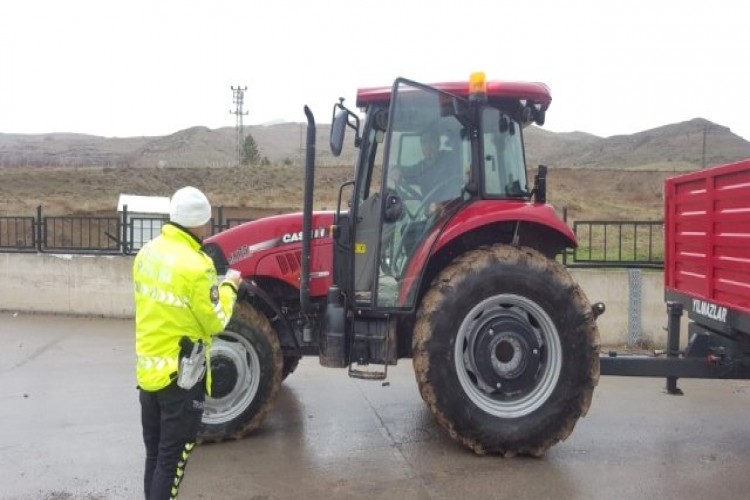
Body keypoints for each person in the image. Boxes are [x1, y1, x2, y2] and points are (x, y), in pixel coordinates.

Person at [133, 186, 240, 500]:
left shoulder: (146, 254)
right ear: (199, 223)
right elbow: (215, 320)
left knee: (155, 457)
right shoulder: (198, 266)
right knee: (171, 463)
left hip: (148, 376)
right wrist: (230, 287)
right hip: (181, 380)